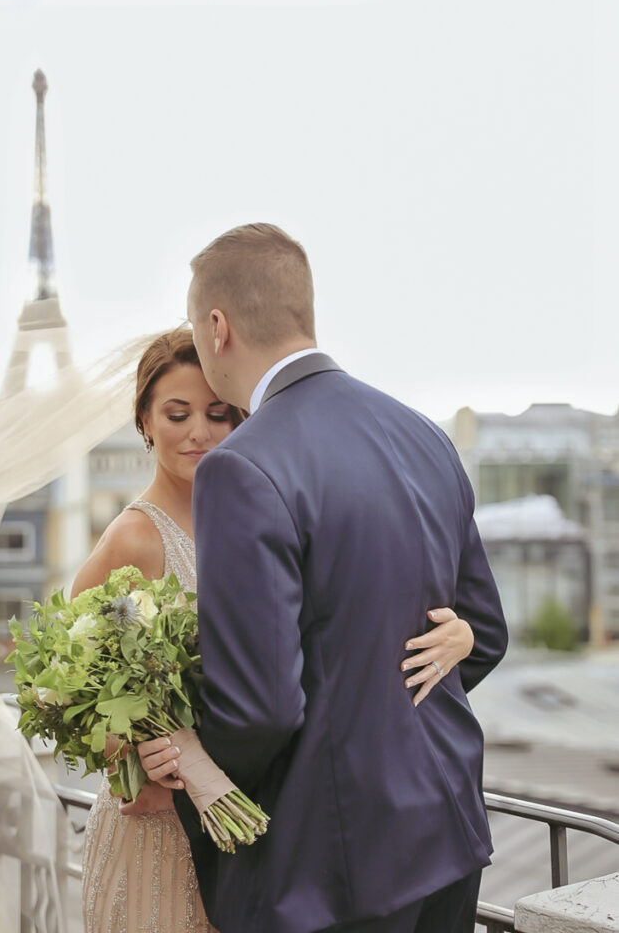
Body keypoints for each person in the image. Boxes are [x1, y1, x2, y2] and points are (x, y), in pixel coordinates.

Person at [141, 225, 508, 933]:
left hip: (332, 875)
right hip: (450, 835)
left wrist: (188, 761)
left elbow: (261, 709)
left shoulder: (243, 467)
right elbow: (481, 634)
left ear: (216, 328)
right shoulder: (422, 432)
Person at [76, 326, 477, 933]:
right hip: (163, 826)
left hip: (258, 830)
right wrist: (136, 755)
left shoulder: (261, 509)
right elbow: (76, 689)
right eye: (177, 414)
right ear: (144, 421)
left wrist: (463, 636)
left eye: (217, 414)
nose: (198, 433)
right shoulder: (134, 538)